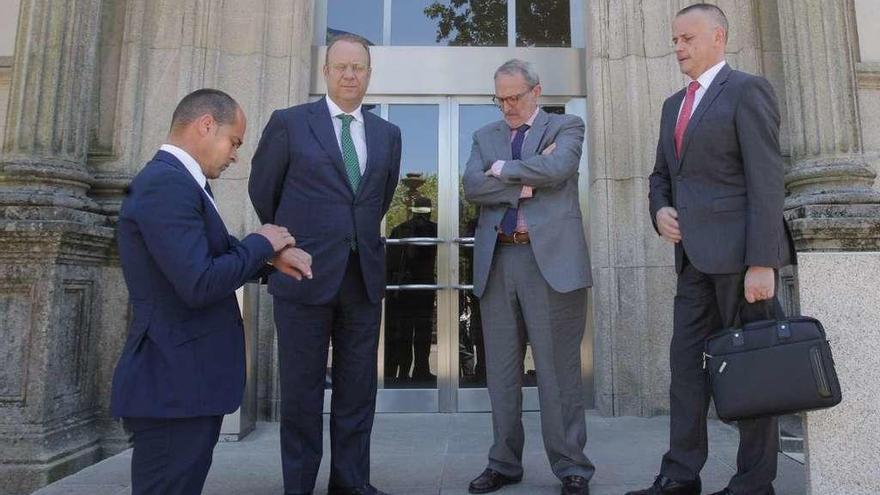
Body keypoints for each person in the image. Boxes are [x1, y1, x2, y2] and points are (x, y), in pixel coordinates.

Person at [626, 5, 794, 495]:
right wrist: (659, 213)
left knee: (752, 373)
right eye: (675, 39)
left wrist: (764, 261)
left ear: (718, 37)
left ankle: (753, 483)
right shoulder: (672, 105)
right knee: (686, 371)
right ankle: (680, 476)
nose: (677, 47)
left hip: (743, 264)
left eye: (687, 38)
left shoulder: (746, 91)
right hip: (693, 266)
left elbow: (767, 180)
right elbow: (661, 177)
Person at [110, 88, 312, 495]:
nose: (235, 154)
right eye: (234, 141)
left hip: (185, 384)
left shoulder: (180, 182)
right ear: (206, 125)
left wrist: (265, 259)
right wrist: (262, 242)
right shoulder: (165, 184)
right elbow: (198, 281)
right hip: (172, 383)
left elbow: (199, 261)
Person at [248, 33, 401, 495]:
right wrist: (284, 247)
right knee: (302, 393)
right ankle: (299, 485)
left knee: (358, 393)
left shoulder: (387, 134)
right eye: (341, 67)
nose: (350, 74)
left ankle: (351, 483)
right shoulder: (290, 124)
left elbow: (377, 199)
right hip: (303, 275)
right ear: (326, 72)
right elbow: (263, 192)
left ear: (369, 74)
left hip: (362, 280)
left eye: (359, 67)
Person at [462, 59, 593, 495]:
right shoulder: (485, 137)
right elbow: (472, 187)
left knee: (558, 374)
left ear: (536, 92)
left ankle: (572, 466)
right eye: (499, 99)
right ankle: (503, 463)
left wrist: (500, 171)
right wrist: (523, 182)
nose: (507, 107)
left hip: (551, 266)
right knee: (500, 374)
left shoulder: (566, 126)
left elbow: (559, 171)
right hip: (498, 262)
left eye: (514, 98)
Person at [385, 197, 438, 383]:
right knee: (423, 330)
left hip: (405, 289)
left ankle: (403, 372)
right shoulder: (436, 230)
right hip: (425, 286)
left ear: (413, 210)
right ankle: (421, 370)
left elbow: (390, 262)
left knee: (404, 331)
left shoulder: (400, 229)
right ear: (430, 210)